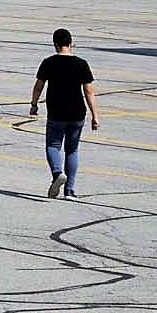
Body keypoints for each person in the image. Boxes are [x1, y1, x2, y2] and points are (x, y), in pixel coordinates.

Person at [29, 27, 99, 198]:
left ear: (55, 44)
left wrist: (34, 104)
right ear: (71, 43)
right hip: (77, 114)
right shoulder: (81, 64)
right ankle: (70, 190)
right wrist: (95, 115)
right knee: (72, 150)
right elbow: (88, 91)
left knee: (53, 146)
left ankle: (57, 173)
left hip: (56, 112)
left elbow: (39, 86)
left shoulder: (48, 62)